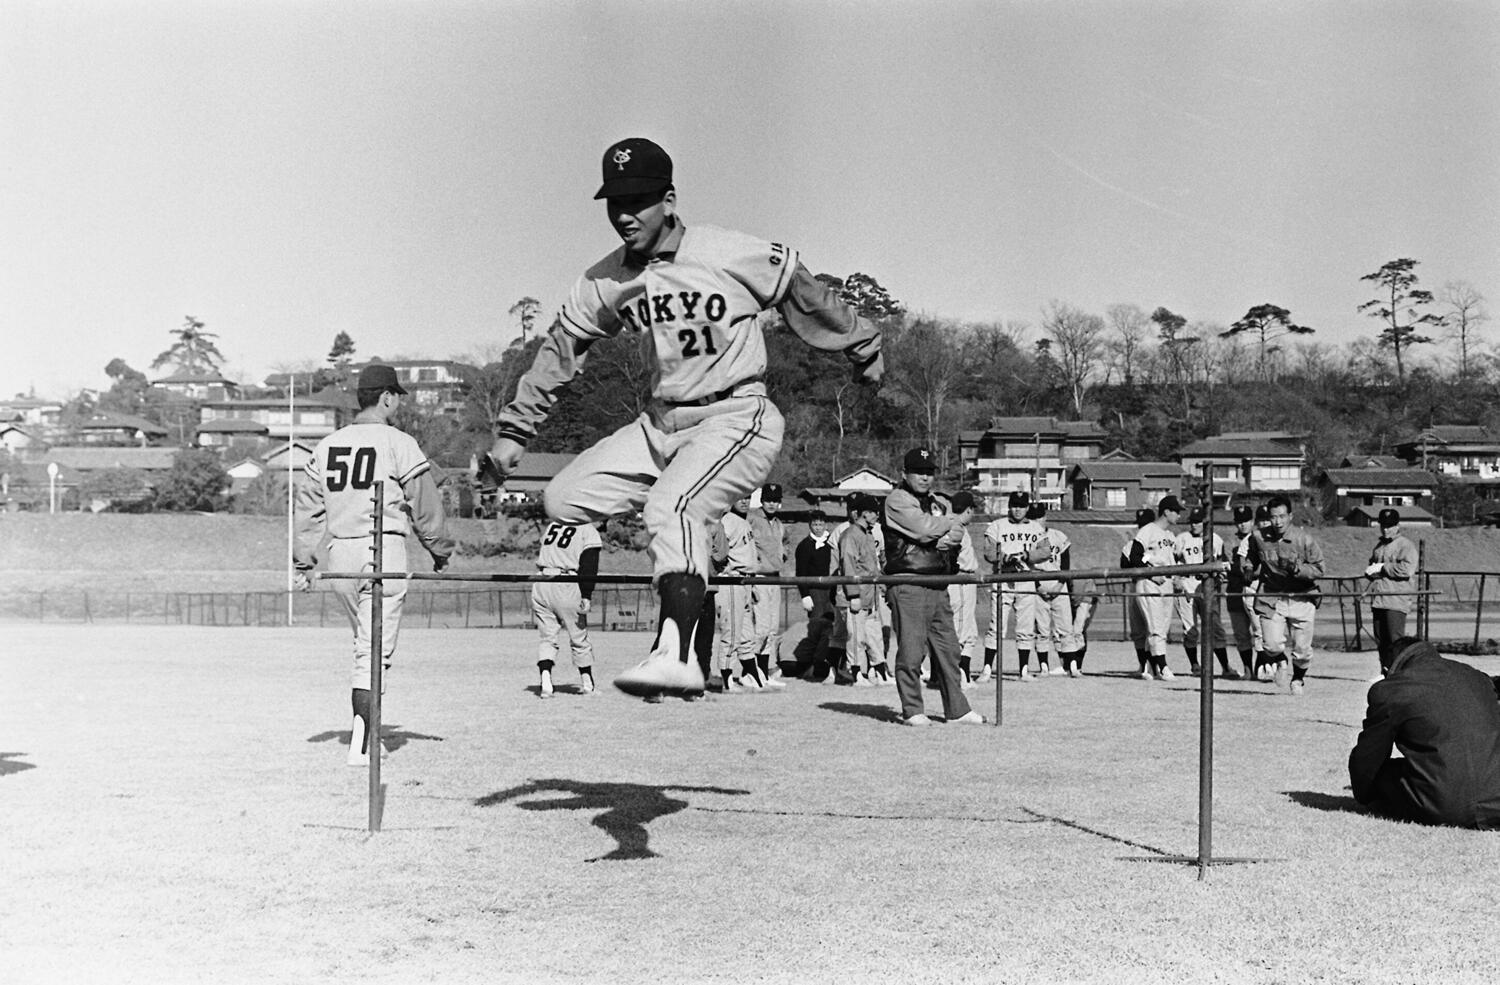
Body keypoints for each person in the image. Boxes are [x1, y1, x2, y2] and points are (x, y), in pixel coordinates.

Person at [481, 136, 883, 700]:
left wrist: (860, 341)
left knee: (674, 507)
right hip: (660, 425)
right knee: (562, 498)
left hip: (735, 414)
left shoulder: (725, 250)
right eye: (614, 203)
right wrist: (513, 434)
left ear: (669, 199)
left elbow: (802, 289)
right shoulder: (605, 279)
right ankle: (683, 551)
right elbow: (560, 351)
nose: (625, 215)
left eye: (639, 200)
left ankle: (675, 650)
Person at [294, 363, 454, 766]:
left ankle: (366, 734)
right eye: (397, 396)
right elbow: (425, 504)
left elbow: (308, 510)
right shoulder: (399, 442)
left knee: (364, 648)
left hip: (340, 555)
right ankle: (362, 741)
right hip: (383, 551)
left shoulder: (326, 445)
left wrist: (302, 562)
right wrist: (439, 549)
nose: (398, 402)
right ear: (386, 397)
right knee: (373, 654)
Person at [1349, 636, 1500, 829]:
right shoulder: (1478, 677)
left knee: (1382, 773)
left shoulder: (1391, 689)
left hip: (1445, 805)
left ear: (1386, 670)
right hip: (1496, 800)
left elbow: (1369, 757)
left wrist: (1364, 793)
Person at [883, 448, 985, 726]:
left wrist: (939, 530)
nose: (925, 478)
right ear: (905, 474)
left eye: (929, 472)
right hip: (908, 580)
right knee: (912, 650)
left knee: (949, 648)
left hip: (938, 582)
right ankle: (913, 710)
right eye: (919, 472)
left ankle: (957, 710)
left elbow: (954, 534)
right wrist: (942, 528)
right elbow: (924, 529)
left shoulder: (938, 502)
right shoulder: (897, 499)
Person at [1243, 495, 1325, 694]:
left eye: (1281, 516)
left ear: (1290, 516)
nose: (1277, 522)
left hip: (1301, 596)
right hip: (1272, 596)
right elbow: (1251, 558)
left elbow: (1319, 569)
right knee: (1270, 645)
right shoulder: (1258, 537)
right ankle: (1281, 660)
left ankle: (1297, 679)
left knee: (1303, 650)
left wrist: (1298, 569)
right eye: (1273, 517)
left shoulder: (1304, 539)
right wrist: (1248, 567)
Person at [531, 520, 603, 698]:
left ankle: (546, 682)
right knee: (578, 636)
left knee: (547, 637)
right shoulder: (588, 529)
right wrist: (586, 594)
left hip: (542, 581)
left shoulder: (554, 524)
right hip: (566, 582)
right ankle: (587, 684)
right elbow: (589, 565)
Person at [981, 491, 1047, 681]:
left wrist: (1027, 555)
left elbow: (1046, 550)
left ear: (1027, 508)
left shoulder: (1035, 527)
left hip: (1026, 578)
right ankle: (987, 669)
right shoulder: (997, 525)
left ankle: (1024, 670)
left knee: (1025, 627)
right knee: (996, 625)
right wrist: (1005, 558)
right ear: (1009, 506)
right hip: (1003, 578)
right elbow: (988, 551)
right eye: (1014, 505)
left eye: (1021, 506)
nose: (1017, 510)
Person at [1173, 505, 1238, 679]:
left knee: (1216, 628)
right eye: (1192, 522)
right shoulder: (1181, 539)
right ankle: (1195, 665)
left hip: (1208, 585)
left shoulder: (1215, 539)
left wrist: (1219, 578)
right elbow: (1171, 563)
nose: (1194, 525)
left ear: (1205, 522)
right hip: (1187, 582)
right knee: (1191, 630)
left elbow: (1223, 563)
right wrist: (1176, 579)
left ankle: (1225, 667)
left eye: (1198, 521)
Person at [1123, 495, 1182, 680]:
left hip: (1166, 584)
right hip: (1149, 583)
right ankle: (1163, 667)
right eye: (1176, 511)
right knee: (1155, 626)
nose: (1179, 516)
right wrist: (1150, 571)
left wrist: (1177, 577)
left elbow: (1168, 558)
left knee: (1162, 627)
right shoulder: (1148, 530)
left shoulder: (1170, 536)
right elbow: (1135, 556)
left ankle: (1154, 666)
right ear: (1166, 511)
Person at [715, 495, 768, 691]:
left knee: (747, 634)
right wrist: (721, 568)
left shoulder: (744, 522)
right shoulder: (725, 521)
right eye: (740, 498)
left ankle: (753, 676)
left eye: (748, 497)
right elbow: (716, 551)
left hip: (746, 579)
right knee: (732, 632)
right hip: (731, 579)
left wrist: (752, 584)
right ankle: (726, 680)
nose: (744, 501)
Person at [839, 493, 888, 686]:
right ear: (865, 513)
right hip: (857, 595)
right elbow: (848, 565)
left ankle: (881, 672)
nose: (877, 516)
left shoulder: (868, 534)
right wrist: (853, 594)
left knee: (874, 635)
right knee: (856, 637)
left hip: (871, 595)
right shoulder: (851, 535)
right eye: (874, 512)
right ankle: (856, 673)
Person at [1364, 508, 1419, 675]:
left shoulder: (1405, 545)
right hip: (1379, 598)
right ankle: (1385, 673)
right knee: (1381, 640)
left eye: (1389, 526)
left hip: (1396, 600)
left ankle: (1398, 674)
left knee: (1396, 641)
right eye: (1383, 526)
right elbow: (1374, 568)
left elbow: (1407, 569)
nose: (1386, 529)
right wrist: (1370, 572)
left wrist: (1383, 567)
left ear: (1397, 526)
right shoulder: (1379, 546)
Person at [1028, 503, 1079, 677]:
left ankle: (1071, 665)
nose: (1036, 521)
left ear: (1045, 517)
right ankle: (1043, 666)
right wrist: (1038, 586)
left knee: (1065, 627)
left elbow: (1066, 565)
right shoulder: (1028, 538)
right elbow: (1026, 566)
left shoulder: (1059, 536)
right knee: (1041, 628)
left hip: (1059, 582)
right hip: (1038, 582)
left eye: (1039, 517)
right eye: (1033, 518)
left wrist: (1059, 584)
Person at [789, 509, 836, 680]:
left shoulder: (832, 543)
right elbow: (800, 572)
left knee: (831, 629)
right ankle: (809, 665)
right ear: (810, 525)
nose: (818, 528)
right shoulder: (804, 546)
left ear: (826, 525)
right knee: (816, 629)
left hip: (831, 590)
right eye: (815, 524)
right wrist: (805, 595)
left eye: (821, 524)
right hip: (815, 592)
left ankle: (826, 664)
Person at [749, 483, 788, 686]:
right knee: (761, 627)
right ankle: (751, 671)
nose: (771, 504)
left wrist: (784, 554)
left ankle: (763, 672)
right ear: (762, 500)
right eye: (768, 500)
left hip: (775, 577)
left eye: (775, 500)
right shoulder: (753, 519)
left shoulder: (779, 524)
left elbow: (786, 543)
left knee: (772, 628)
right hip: (759, 577)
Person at [944, 491, 981, 685]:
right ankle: (956, 677)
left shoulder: (950, 523)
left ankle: (962, 672)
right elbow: (949, 556)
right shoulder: (954, 525)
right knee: (960, 630)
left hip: (965, 581)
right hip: (959, 581)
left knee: (969, 630)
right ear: (968, 509)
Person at [1225, 504, 1262, 681]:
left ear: (1252, 521)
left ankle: (1260, 669)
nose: (1243, 525)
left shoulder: (1257, 539)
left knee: (1259, 630)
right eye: (1239, 521)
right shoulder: (1229, 542)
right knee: (1241, 633)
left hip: (1252, 589)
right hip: (1234, 591)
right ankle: (1248, 669)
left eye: (1246, 521)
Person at [1121, 508, 1156, 677]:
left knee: (1153, 628)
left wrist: (1143, 559)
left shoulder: (1159, 540)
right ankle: (1143, 666)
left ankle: (1156, 665)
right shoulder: (1130, 545)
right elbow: (1125, 565)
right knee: (1138, 631)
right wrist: (1144, 559)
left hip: (1153, 587)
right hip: (1136, 587)